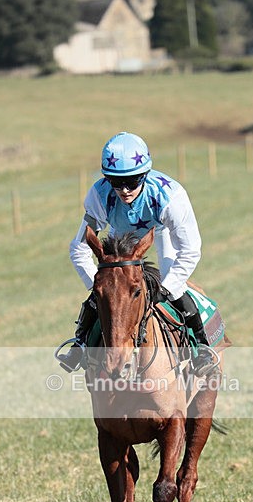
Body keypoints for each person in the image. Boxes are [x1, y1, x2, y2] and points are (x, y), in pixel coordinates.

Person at [57, 131, 218, 375]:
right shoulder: (99, 196)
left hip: (161, 233)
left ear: (145, 174)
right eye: (115, 181)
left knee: (174, 288)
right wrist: (101, 288)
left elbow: (190, 249)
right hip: (119, 242)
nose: (124, 190)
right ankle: (80, 343)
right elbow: (78, 248)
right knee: (108, 296)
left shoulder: (171, 197)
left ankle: (202, 348)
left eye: (132, 181)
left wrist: (164, 289)